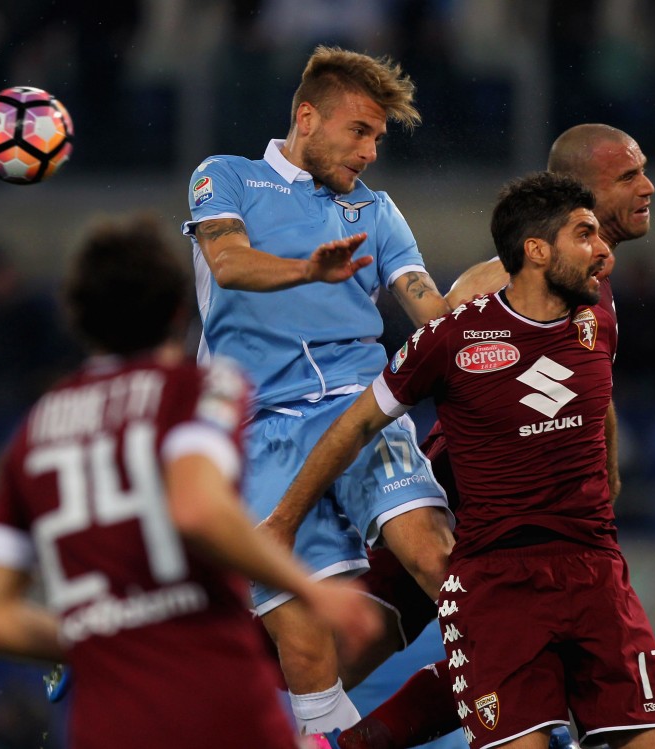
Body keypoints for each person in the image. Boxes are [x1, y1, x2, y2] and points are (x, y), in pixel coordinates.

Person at [268, 172, 655, 749]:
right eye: (586, 234)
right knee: (346, 646)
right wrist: (285, 519)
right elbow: (355, 424)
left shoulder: (598, 319)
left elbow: (598, 393)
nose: (604, 250)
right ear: (536, 251)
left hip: (596, 574)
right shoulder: (453, 335)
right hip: (497, 583)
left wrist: (608, 472)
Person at [0, 213, 382, 748]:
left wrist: (110, 637)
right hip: (216, 702)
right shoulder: (201, 388)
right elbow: (197, 508)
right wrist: (311, 592)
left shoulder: (35, 430)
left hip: (106, 725)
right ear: (181, 312)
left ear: (78, 319)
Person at [181, 45, 455, 733]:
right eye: (359, 131)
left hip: (361, 410)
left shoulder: (377, 210)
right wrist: (307, 269)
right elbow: (230, 262)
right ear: (308, 117)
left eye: (377, 138)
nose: (368, 152)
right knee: (306, 640)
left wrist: (502, 316)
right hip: (258, 426)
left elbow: (429, 308)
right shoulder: (227, 178)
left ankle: (518, 698)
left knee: (431, 552)